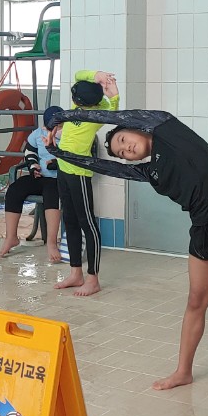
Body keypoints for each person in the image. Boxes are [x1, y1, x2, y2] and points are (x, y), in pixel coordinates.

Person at [49, 106, 208, 406]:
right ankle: (183, 371)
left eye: (123, 141)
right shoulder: (150, 170)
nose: (126, 150)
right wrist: (58, 152)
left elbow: (111, 117)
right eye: (122, 152)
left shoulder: (166, 128)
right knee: (196, 299)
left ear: (137, 128)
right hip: (202, 224)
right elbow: (105, 167)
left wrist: (64, 116)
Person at [52, 72, 118, 296]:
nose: (73, 98)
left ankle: (93, 278)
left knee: (87, 223)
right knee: (69, 220)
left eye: (76, 96)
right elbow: (79, 74)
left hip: (79, 173)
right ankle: (75, 273)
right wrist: (98, 75)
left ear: (83, 101)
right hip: (63, 168)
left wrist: (114, 94)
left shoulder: (96, 115)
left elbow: (114, 112)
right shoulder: (78, 104)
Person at [0, 104, 62, 261]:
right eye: (48, 129)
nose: (51, 133)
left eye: (56, 128)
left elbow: (74, 159)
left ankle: (51, 243)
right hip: (40, 176)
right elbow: (30, 151)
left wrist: (57, 163)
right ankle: (11, 237)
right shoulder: (37, 134)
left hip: (58, 179)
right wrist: (34, 167)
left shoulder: (70, 137)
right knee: (14, 190)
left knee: (51, 195)